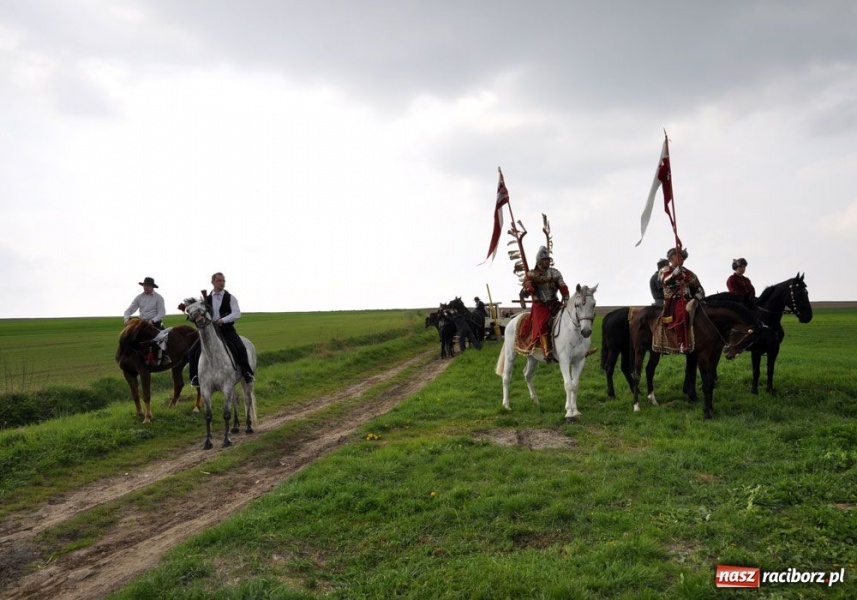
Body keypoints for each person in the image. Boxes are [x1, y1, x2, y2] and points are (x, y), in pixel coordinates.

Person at [189, 272, 255, 386]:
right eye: (219, 280)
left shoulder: (230, 297)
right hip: (210, 331)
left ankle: (247, 372)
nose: (222, 283)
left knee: (241, 348)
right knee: (191, 352)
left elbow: (237, 314)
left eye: (223, 281)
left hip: (226, 329)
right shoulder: (206, 299)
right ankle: (195, 377)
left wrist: (222, 320)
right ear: (213, 282)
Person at [523, 246, 569, 362]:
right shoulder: (531, 274)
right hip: (540, 304)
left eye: (548, 259)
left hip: (554, 302)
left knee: (567, 317)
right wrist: (528, 288)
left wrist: (566, 298)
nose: (547, 261)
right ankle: (547, 351)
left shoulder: (555, 272)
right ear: (539, 261)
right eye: (545, 259)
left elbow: (562, 286)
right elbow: (525, 293)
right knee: (543, 322)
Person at [659, 247, 705, 353]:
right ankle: (682, 342)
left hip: (689, 299)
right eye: (678, 256)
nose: (681, 258)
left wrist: (698, 295)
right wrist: (675, 274)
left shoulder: (689, 273)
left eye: (682, 257)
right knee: (682, 313)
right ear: (671, 259)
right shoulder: (665, 270)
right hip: (674, 301)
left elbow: (698, 287)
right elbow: (665, 281)